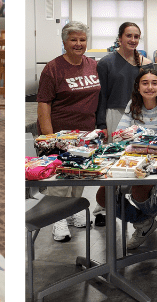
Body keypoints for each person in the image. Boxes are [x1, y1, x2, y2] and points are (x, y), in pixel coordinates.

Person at [92, 69, 157, 250]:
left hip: (156, 159)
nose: (150, 87)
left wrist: (138, 134)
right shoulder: (133, 104)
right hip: (130, 157)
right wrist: (138, 136)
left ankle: (150, 212)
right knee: (103, 196)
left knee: (138, 192)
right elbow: (119, 135)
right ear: (138, 87)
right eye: (145, 83)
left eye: (154, 82)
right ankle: (144, 222)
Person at [36, 21, 102, 242]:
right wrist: (49, 136)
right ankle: (58, 219)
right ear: (64, 42)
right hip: (60, 133)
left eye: (82, 39)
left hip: (86, 133)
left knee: (80, 173)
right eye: (73, 39)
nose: (78, 43)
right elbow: (44, 103)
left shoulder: (92, 64)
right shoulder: (53, 68)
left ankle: (73, 212)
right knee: (60, 178)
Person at [95, 22, 153, 132]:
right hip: (115, 114)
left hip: (141, 114)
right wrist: (101, 125)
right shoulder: (106, 63)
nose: (133, 40)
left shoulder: (146, 64)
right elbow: (102, 96)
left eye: (136, 37)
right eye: (128, 36)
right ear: (120, 38)